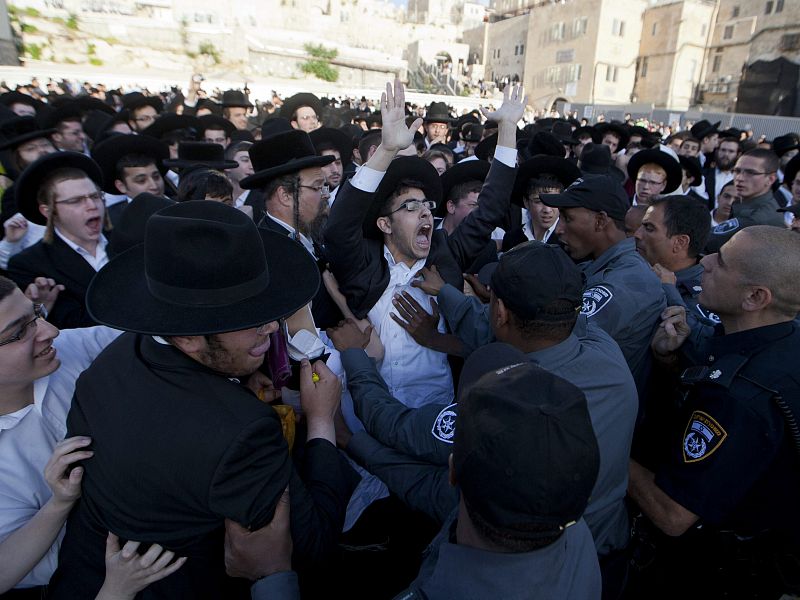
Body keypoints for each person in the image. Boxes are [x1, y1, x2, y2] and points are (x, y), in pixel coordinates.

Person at [48, 201, 359, 599]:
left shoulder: (111, 363)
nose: (271, 326)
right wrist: (320, 421)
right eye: (248, 318)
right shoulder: (242, 433)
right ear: (188, 337)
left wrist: (236, 379)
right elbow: (312, 544)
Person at [362, 242, 638, 596]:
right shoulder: (600, 345)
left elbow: (400, 429)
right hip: (597, 563)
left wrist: (357, 361)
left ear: (501, 312)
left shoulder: (507, 405)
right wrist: (446, 303)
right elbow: (513, 332)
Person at [344, 342, 603, 599]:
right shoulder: (574, 531)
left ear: (452, 471)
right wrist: (352, 441)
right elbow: (427, 488)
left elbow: (416, 466)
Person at [324, 79, 523, 408]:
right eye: (410, 207)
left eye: (427, 206)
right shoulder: (363, 264)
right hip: (370, 410)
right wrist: (387, 149)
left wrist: (508, 129)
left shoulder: (444, 257)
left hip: (435, 411)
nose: (425, 214)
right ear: (385, 224)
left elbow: (490, 208)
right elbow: (338, 227)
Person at [628, 226, 800, 599]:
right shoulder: (784, 339)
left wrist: (609, 445)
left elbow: (673, 515)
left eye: (721, 262)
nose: (704, 261)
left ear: (755, 297)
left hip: (719, 574)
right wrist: (671, 360)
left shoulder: (739, 399)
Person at [541, 175, 667, 393]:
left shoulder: (626, 281)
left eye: (567, 219)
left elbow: (556, 345)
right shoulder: (597, 264)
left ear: (600, 221)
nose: (559, 229)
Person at [238, 129, 344, 329]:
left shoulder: (309, 233)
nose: (326, 195)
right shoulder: (269, 254)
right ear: (285, 196)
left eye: (325, 187)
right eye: (317, 187)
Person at [7, 152, 107, 329]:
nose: (92, 206)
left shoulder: (130, 237)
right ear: (48, 211)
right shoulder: (30, 265)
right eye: (75, 201)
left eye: (95, 196)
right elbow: (71, 322)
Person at [634, 195, 718, 325]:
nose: (637, 234)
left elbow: (703, 334)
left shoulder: (708, 295)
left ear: (680, 242)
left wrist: (670, 294)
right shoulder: (633, 263)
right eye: (642, 226)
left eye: (649, 228)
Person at [705, 148, 784, 251]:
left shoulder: (757, 217)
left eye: (750, 173)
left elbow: (709, 241)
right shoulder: (746, 202)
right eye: (737, 171)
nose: (740, 178)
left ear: (770, 179)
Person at [502, 155, 581, 250]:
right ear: (526, 202)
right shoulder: (512, 239)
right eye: (538, 201)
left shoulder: (571, 239)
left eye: (553, 201)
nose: (547, 210)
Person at [91, 134, 170, 227]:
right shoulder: (113, 221)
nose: (154, 186)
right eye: (141, 181)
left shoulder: (180, 205)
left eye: (156, 177)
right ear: (121, 186)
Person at [703, 137, 740, 208]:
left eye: (731, 151)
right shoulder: (703, 175)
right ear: (717, 151)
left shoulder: (741, 179)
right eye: (723, 150)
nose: (726, 154)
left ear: (738, 154)